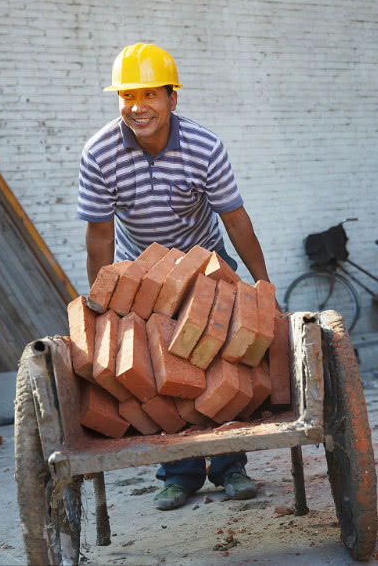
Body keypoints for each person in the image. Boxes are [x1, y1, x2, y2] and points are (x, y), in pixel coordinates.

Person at [77, 43, 268, 511]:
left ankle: (229, 468)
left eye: (149, 95)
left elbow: (236, 220)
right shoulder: (100, 153)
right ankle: (178, 475)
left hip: (205, 262)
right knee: (158, 370)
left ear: (172, 100)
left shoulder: (204, 146)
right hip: (139, 270)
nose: (137, 108)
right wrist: (103, 302)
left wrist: (264, 285)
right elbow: (99, 237)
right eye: (127, 96)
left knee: (221, 360)